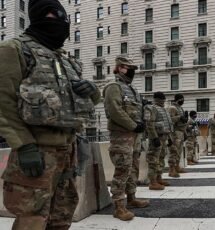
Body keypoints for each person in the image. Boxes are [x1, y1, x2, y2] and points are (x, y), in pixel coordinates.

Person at [0, 0, 101, 229]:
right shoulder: (13, 49)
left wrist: (93, 91)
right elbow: (3, 104)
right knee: (32, 217)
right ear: (36, 18)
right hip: (36, 149)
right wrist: (24, 145)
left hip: (68, 149)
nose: (56, 22)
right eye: (48, 15)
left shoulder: (65, 60)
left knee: (61, 214)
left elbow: (90, 102)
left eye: (59, 16)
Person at [103, 56, 149, 221]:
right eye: (130, 69)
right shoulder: (113, 87)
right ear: (121, 68)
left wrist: (140, 126)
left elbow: (138, 111)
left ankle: (131, 197)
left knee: (133, 168)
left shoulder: (132, 90)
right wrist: (133, 125)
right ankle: (118, 206)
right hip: (121, 136)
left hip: (134, 136)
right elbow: (114, 111)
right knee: (122, 170)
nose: (132, 72)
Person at [145, 92, 173, 190]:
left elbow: (167, 125)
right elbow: (149, 124)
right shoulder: (151, 108)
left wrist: (169, 138)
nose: (163, 101)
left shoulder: (163, 110)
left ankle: (158, 178)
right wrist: (154, 137)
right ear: (157, 99)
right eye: (162, 99)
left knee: (160, 159)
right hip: (157, 138)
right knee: (153, 160)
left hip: (164, 137)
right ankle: (152, 182)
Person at [167, 94, 188, 177]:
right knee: (174, 151)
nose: (183, 101)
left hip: (181, 132)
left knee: (179, 151)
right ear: (178, 99)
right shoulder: (172, 108)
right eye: (182, 99)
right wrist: (179, 117)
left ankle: (177, 166)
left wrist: (185, 133)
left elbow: (183, 122)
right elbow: (169, 120)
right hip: (175, 132)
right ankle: (171, 169)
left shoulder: (180, 108)